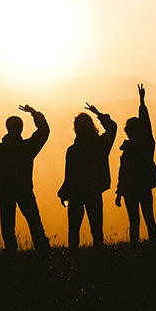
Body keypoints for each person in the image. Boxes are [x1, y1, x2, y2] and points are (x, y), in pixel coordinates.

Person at [0, 104, 51, 255]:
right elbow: (44, 131)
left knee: (7, 221)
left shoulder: (0, 149)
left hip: (5, 189)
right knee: (33, 219)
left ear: (7, 128)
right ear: (21, 129)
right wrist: (34, 113)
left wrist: (4, 181)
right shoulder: (27, 147)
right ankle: (42, 248)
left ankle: (11, 250)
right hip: (24, 189)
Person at [58, 103, 117, 250]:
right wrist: (100, 114)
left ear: (76, 129)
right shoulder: (101, 144)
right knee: (96, 228)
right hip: (94, 191)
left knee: (73, 230)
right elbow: (112, 128)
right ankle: (99, 258)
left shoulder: (72, 150)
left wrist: (64, 192)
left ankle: (73, 258)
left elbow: (70, 175)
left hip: (75, 194)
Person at [115, 84, 156, 248]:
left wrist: (120, 192)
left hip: (130, 189)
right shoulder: (146, 144)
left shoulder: (136, 146)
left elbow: (123, 173)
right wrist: (141, 102)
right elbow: (146, 124)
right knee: (148, 216)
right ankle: (153, 246)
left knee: (135, 220)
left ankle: (135, 249)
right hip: (143, 186)